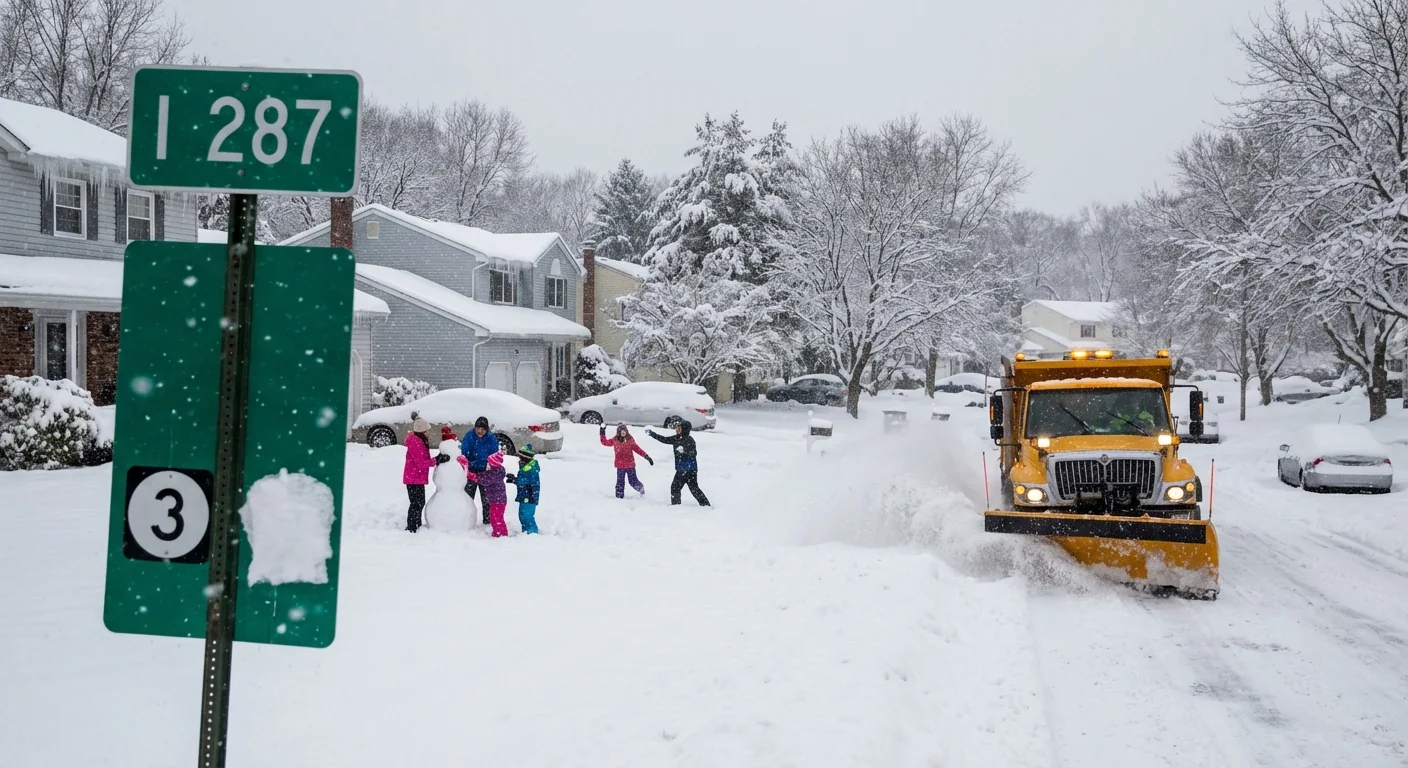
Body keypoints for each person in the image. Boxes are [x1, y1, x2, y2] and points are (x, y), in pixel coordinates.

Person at [401, 414, 448, 532]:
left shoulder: (418, 440)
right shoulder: (415, 442)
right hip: (413, 478)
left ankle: (416, 524)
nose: (428, 433)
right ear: (421, 431)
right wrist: (437, 460)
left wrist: (436, 459)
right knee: (416, 503)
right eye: (426, 431)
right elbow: (421, 463)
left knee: (419, 502)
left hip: (416, 477)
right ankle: (412, 526)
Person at [646, 421, 710, 507]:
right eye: (677, 428)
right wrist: (652, 434)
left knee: (685, 488)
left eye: (679, 428)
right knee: (683, 488)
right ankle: (680, 506)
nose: (677, 430)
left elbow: (693, 453)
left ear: (684, 430)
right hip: (683, 469)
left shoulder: (689, 440)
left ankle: (702, 505)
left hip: (689, 469)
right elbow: (664, 439)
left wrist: (684, 452)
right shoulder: (676, 438)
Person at [460, 416, 501, 525]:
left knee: (486, 498)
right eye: (478, 429)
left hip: (485, 472)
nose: (480, 431)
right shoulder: (469, 436)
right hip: (472, 471)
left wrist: (489, 466)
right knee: (468, 497)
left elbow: (494, 456)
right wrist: (468, 463)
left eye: (483, 429)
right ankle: (466, 520)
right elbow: (464, 452)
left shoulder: (491, 439)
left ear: (487, 429)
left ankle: (487, 521)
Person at [600, 422, 653, 498]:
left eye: (624, 430)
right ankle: (619, 497)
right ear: (618, 432)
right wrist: (602, 432)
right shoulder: (615, 440)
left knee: (633, 481)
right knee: (620, 482)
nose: (623, 432)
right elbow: (604, 442)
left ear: (626, 431)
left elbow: (638, 449)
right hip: (620, 466)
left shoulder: (630, 440)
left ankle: (641, 489)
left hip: (630, 465)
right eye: (621, 430)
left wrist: (646, 456)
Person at [507, 444, 541, 534]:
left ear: (526, 457)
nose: (519, 459)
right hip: (524, 495)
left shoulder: (531, 468)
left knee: (527, 515)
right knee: (522, 515)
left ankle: (532, 532)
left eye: (521, 457)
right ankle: (526, 532)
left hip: (530, 496)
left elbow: (524, 481)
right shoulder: (526, 466)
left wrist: (514, 479)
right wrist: (514, 479)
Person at [477, 449, 511, 537]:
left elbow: (485, 480)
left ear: (493, 463)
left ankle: (502, 534)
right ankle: (497, 532)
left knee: (497, 518)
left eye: (489, 462)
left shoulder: (496, 473)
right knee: (493, 517)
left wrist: (474, 476)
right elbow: (485, 476)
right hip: (495, 499)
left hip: (498, 501)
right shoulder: (495, 471)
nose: (488, 464)